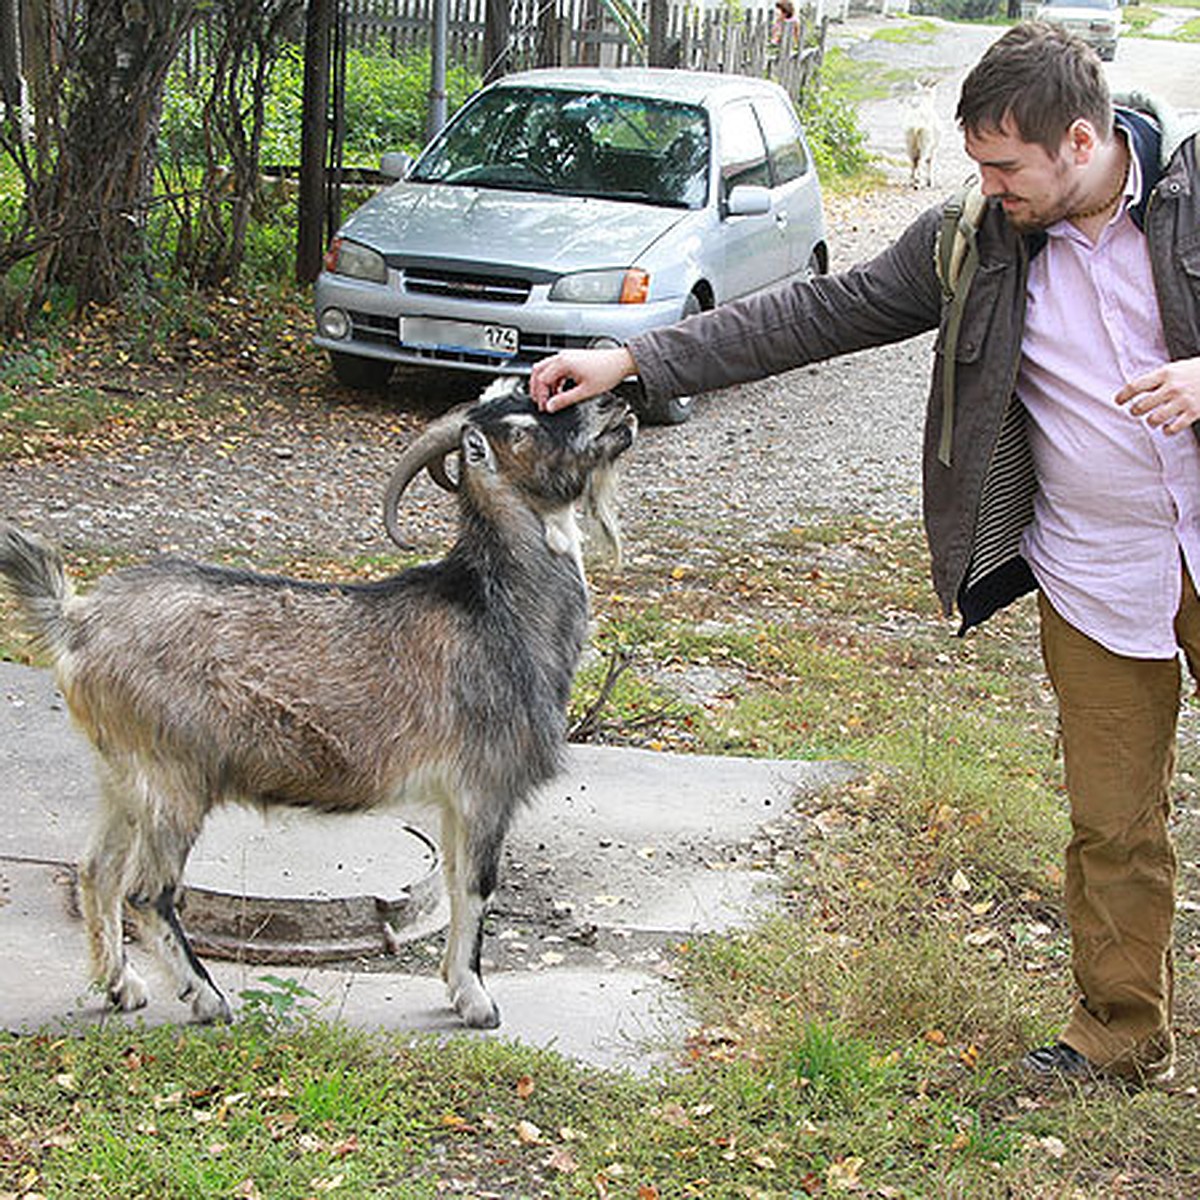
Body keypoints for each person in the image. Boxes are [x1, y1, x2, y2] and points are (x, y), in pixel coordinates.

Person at [530, 21, 1200, 1086]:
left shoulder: (1193, 196)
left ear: (1083, 140)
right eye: (976, 164)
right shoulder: (973, 237)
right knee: (1111, 822)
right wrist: (633, 357)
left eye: (1004, 166)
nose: (986, 186)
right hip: (1096, 572)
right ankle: (1121, 1034)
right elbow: (822, 311)